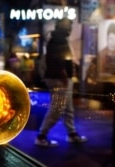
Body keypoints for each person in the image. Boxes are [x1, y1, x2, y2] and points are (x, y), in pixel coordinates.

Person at [34, 18, 87, 147]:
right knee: (57, 109)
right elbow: (58, 60)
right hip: (59, 79)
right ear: (63, 28)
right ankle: (41, 136)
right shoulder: (59, 39)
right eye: (68, 26)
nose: (70, 29)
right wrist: (64, 76)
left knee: (67, 107)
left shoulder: (57, 38)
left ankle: (72, 134)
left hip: (61, 78)